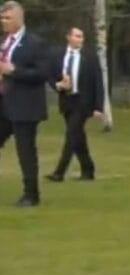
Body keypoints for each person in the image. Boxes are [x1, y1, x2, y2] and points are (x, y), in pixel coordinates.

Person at [0, 1, 48, 207]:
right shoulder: (4, 42)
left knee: (25, 150)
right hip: (4, 103)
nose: (3, 22)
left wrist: (14, 71)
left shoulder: (34, 43)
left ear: (19, 19)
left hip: (25, 105)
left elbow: (42, 73)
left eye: (7, 18)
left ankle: (31, 194)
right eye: (2, 18)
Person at [46, 27, 105, 182]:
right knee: (78, 136)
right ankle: (88, 169)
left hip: (83, 102)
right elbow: (49, 75)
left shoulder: (90, 57)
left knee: (71, 135)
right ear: (68, 37)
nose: (80, 39)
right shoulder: (58, 55)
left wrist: (99, 107)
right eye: (77, 36)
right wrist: (58, 85)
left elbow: (98, 82)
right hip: (66, 101)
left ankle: (59, 172)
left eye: (81, 36)